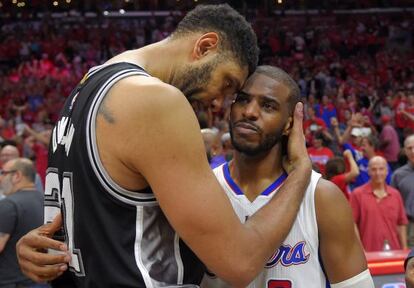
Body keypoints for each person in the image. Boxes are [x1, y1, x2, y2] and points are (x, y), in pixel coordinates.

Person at [16, 4, 312, 287]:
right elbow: (239, 262)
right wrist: (300, 171)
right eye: (226, 83)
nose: (220, 103)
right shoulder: (157, 101)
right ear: (205, 46)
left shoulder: (88, 85)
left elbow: (100, 213)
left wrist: (33, 246)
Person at [201, 66, 374, 288]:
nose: (250, 112)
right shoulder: (204, 189)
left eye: (268, 105)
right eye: (243, 100)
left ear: (290, 124)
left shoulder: (321, 197)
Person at [0, 158, 47, 288]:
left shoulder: (8, 204)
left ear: (17, 176)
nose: (1, 178)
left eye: (3, 173)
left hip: (12, 282)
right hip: (41, 280)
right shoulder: (46, 201)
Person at [350, 156, 408, 252]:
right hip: (368, 253)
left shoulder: (395, 194)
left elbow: (401, 223)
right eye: (374, 169)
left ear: (387, 171)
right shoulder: (357, 194)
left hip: (394, 251)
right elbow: (352, 224)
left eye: (381, 169)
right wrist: (361, 250)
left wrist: (404, 248)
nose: (378, 173)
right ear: (368, 171)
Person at [392, 134, 414, 245]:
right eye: (409, 148)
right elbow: (393, 205)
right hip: (409, 227)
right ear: (405, 151)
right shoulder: (398, 175)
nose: (413, 151)